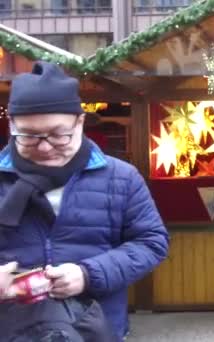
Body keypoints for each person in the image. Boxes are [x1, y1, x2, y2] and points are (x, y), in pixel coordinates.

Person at [0, 61, 169, 340]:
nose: (44, 147)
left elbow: (152, 242)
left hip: (95, 328)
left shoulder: (121, 177)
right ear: (11, 124)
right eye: (29, 136)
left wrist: (88, 274)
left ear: (80, 122)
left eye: (58, 134)